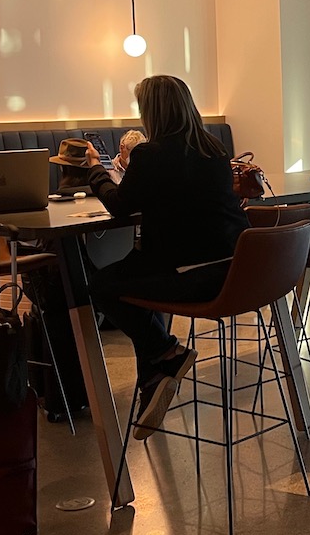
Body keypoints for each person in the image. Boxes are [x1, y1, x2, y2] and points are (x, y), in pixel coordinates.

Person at [85, 75, 249, 436]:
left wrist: (95, 170)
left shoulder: (151, 154)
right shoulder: (215, 148)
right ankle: (154, 380)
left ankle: (167, 351)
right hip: (234, 269)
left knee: (98, 284)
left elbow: (120, 207)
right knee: (139, 285)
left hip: (188, 274)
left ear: (153, 112)